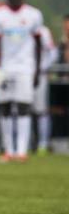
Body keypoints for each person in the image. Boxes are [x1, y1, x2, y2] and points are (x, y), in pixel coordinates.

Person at [0, 0, 43, 162]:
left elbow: (38, 44)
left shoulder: (34, 15)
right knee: (4, 107)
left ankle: (21, 150)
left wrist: (36, 69)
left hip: (25, 67)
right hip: (5, 67)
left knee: (22, 107)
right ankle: (8, 150)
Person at [33, 24, 58, 154]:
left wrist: (42, 68)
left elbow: (53, 52)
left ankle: (43, 143)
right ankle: (21, 145)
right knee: (19, 110)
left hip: (39, 77)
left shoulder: (43, 31)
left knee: (41, 111)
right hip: (21, 73)